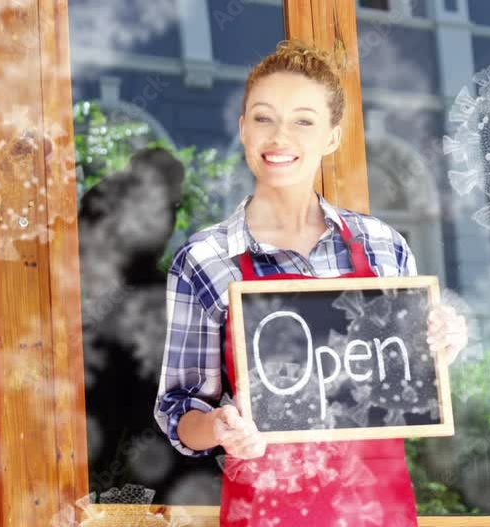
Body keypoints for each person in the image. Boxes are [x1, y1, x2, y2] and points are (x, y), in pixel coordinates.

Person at [153, 39, 468, 526]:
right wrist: (219, 427)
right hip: (265, 512)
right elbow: (179, 413)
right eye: (263, 117)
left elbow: (409, 387)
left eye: (303, 120)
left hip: (379, 513)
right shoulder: (206, 260)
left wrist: (441, 346)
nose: (279, 137)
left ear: (332, 137)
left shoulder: (384, 246)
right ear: (242, 129)